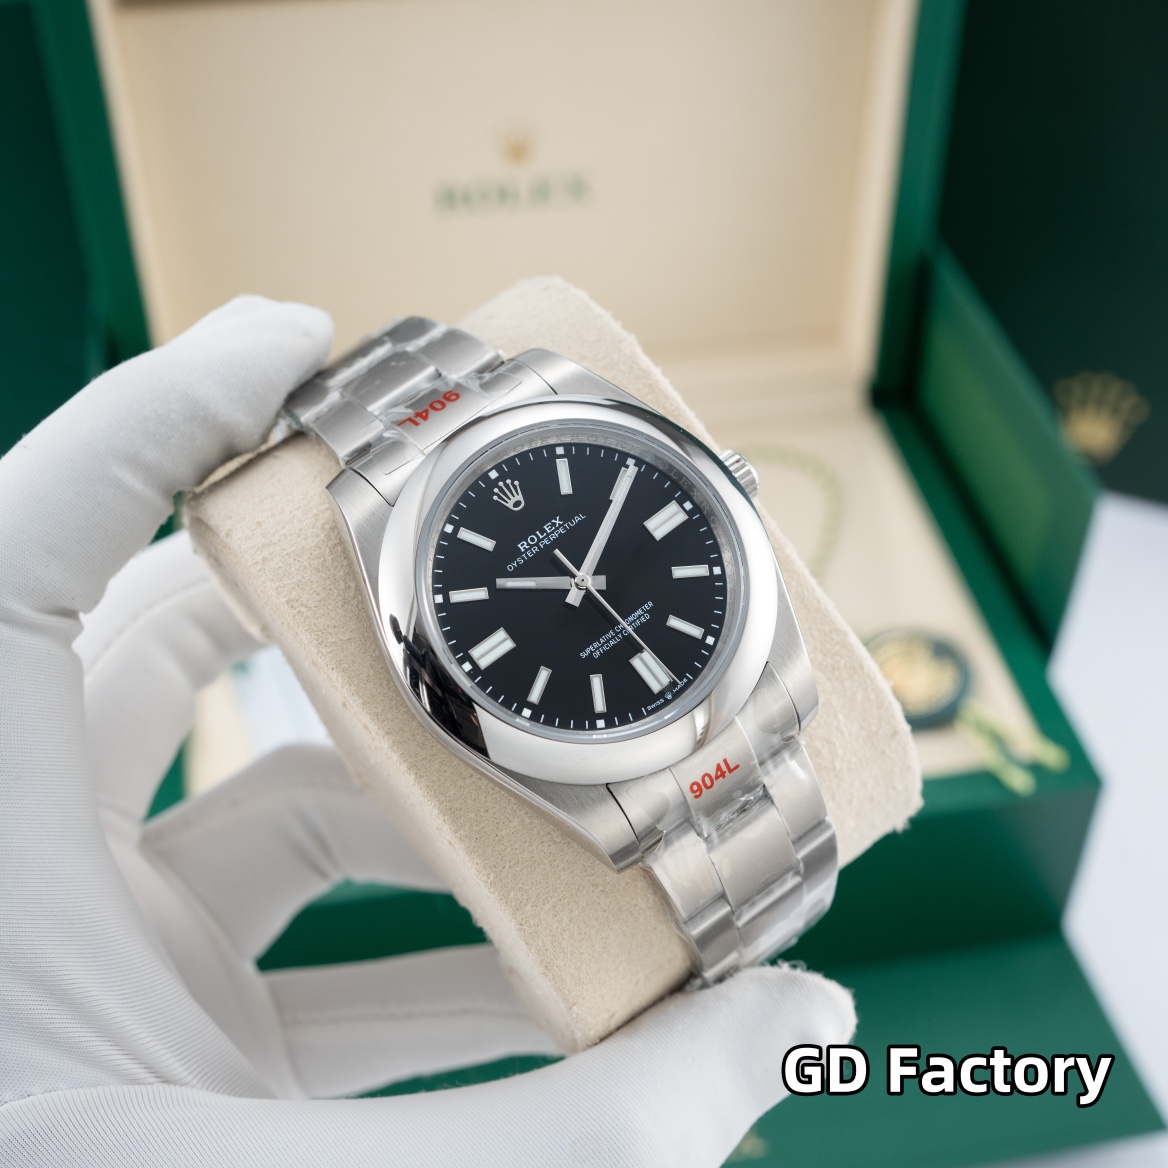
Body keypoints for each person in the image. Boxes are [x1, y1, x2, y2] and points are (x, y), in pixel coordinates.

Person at [0, 295, 854, 1166]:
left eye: (587, 575)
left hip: (713, 696)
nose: (582, 587)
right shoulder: (373, 511)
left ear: (724, 482)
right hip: (606, 773)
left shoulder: (553, 387)